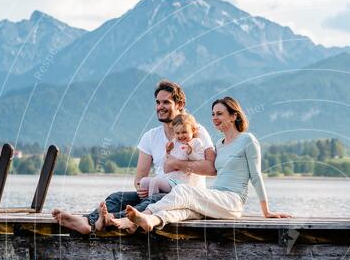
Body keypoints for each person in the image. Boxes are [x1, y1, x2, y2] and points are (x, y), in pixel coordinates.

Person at [51, 80, 215, 234]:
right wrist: (142, 189)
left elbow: (211, 169)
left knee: (154, 200)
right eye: (158, 102)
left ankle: (113, 219)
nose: (160, 107)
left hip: (185, 196)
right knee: (117, 197)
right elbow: (139, 178)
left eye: (166, 102)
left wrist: (176, 163)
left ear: (180, 105)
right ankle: (88, 222)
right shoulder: (150, 137)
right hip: (158, 190)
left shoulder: (196, 131)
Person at [106, 96, 289, 232]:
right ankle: (151, 220)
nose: (214, 118)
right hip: (216, 197)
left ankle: (136, 217)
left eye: (219, 114)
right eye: (213, 114)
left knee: (183, 190)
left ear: (234, 116)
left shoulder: (248, 140)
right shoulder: (220, 145)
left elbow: (256, 176)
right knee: (184, 210)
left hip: (232, 201)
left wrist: (267, 211)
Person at [140, 112, 206, 197]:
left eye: (184, 132)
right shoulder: (175, 142)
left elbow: (201, 161)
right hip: (169, 178)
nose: (180, 136)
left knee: (155, 182)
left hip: (182, 182)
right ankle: (144, 202)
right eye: (177, 133)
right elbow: (167, 165)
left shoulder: (196, 142)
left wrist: (190, 153)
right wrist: (168, 152)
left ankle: (152, 204)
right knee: (144, 181)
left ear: (193, 130)